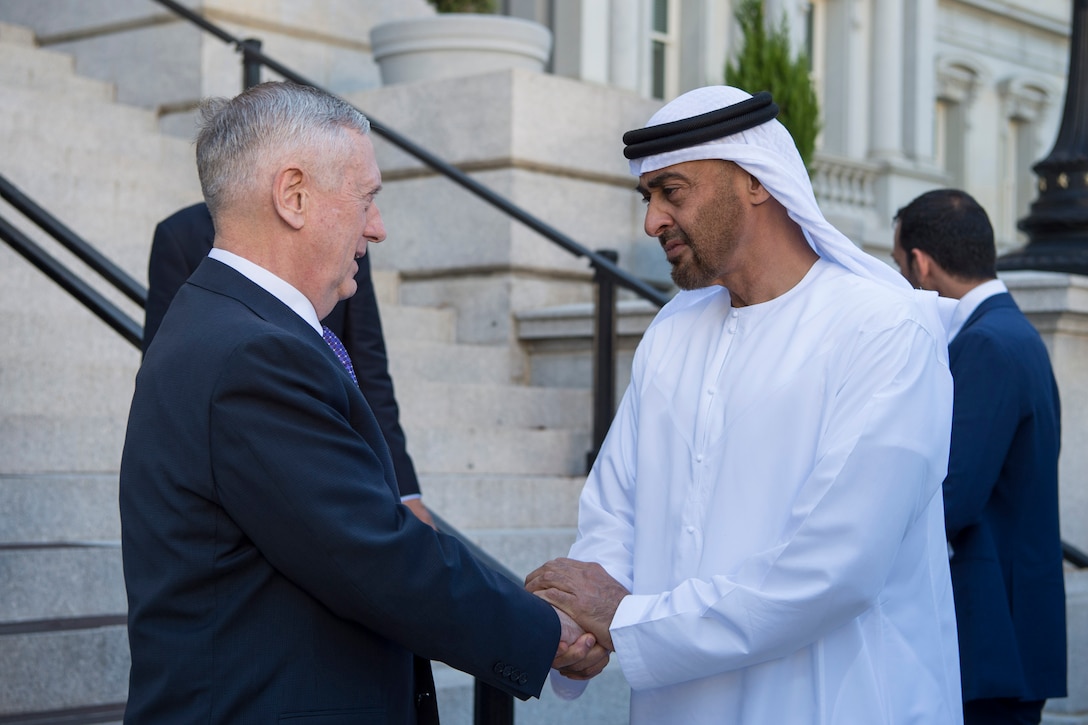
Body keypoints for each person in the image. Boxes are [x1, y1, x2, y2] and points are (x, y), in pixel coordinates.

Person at [119, 80, 607, 723]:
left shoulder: (224, 323)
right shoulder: (251, 356)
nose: (376, 228)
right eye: (366, 198)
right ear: (293, 196)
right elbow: (372, 553)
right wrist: (549, 632)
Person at [525, 86, 963, 724]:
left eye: (672, 191)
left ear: (756, 181)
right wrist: (575, 624)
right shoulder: (674, 329)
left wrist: (624, 619)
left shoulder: (884, 329)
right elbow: (616, 512)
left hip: (835, 702)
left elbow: (832, 571)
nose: (652, 221)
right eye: (646, 197)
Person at [143, 201, 434, 526]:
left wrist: (404, 490)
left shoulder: (344, 236)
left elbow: (369, 364)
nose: (376, 228)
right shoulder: (180, 234)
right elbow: (166, 369)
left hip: (335, 452)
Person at [893, 188, 1066, 725]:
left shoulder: (986, 343)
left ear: (921, 264)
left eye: (899, 267)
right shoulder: (1014, 333)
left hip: (991, 634)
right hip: (1007, 627)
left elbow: (954, 497)